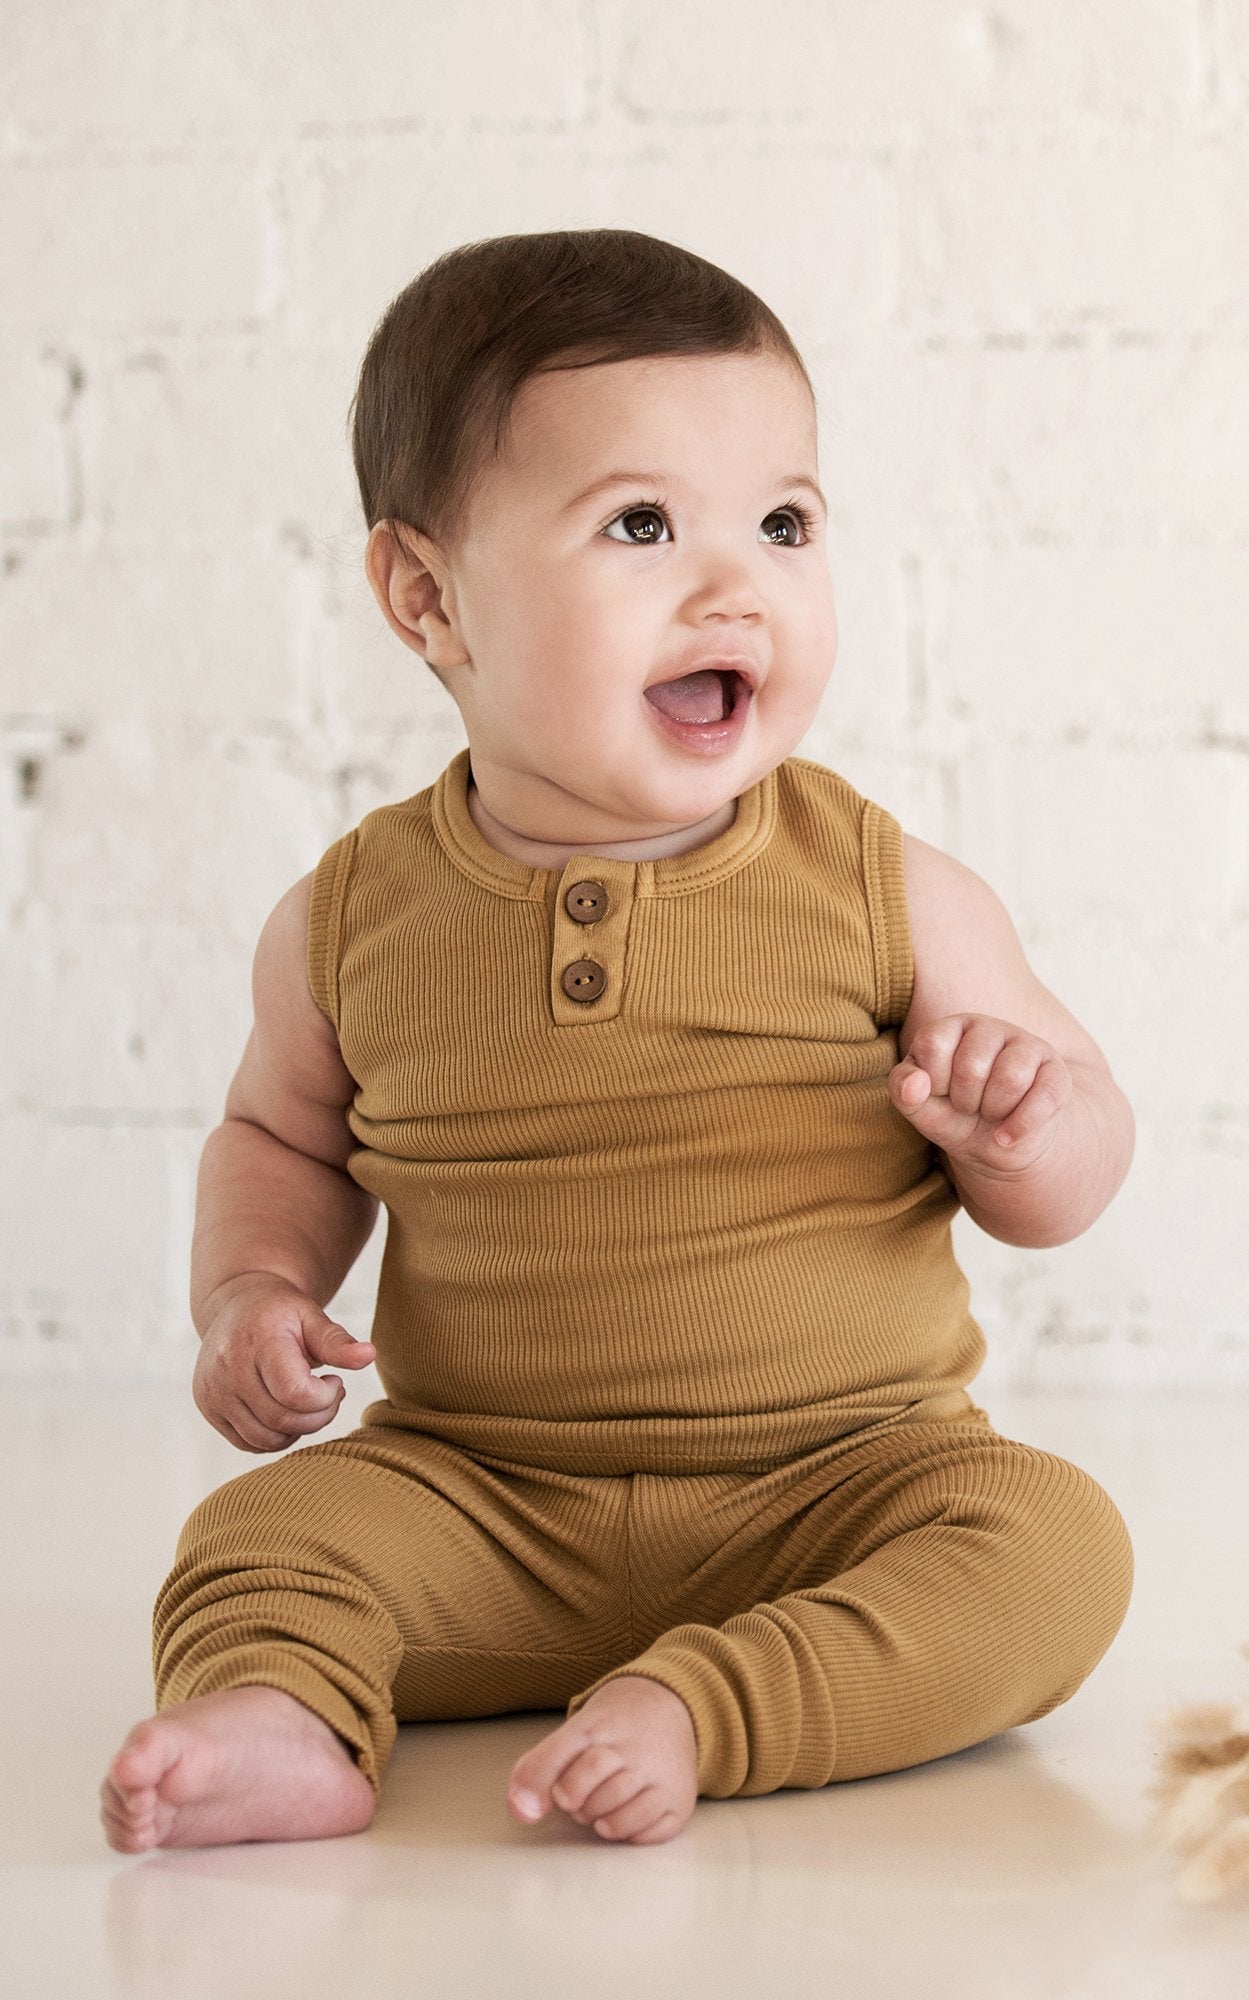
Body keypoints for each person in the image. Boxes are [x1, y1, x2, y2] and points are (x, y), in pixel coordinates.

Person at [99, 229, 1136, 1853]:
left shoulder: (889, 890)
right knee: (258, 1539)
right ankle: (285, 1716)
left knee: (1054, 1545)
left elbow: (1074, 1168)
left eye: (784, 524)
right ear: (427, 597)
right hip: (482, 1499)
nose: (737, 586)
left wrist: (1028, 1128)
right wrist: (252, 1290)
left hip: (838, 1487)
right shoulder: (352, 917)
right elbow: (282, 1139)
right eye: (642, 525)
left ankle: (714, 1705)